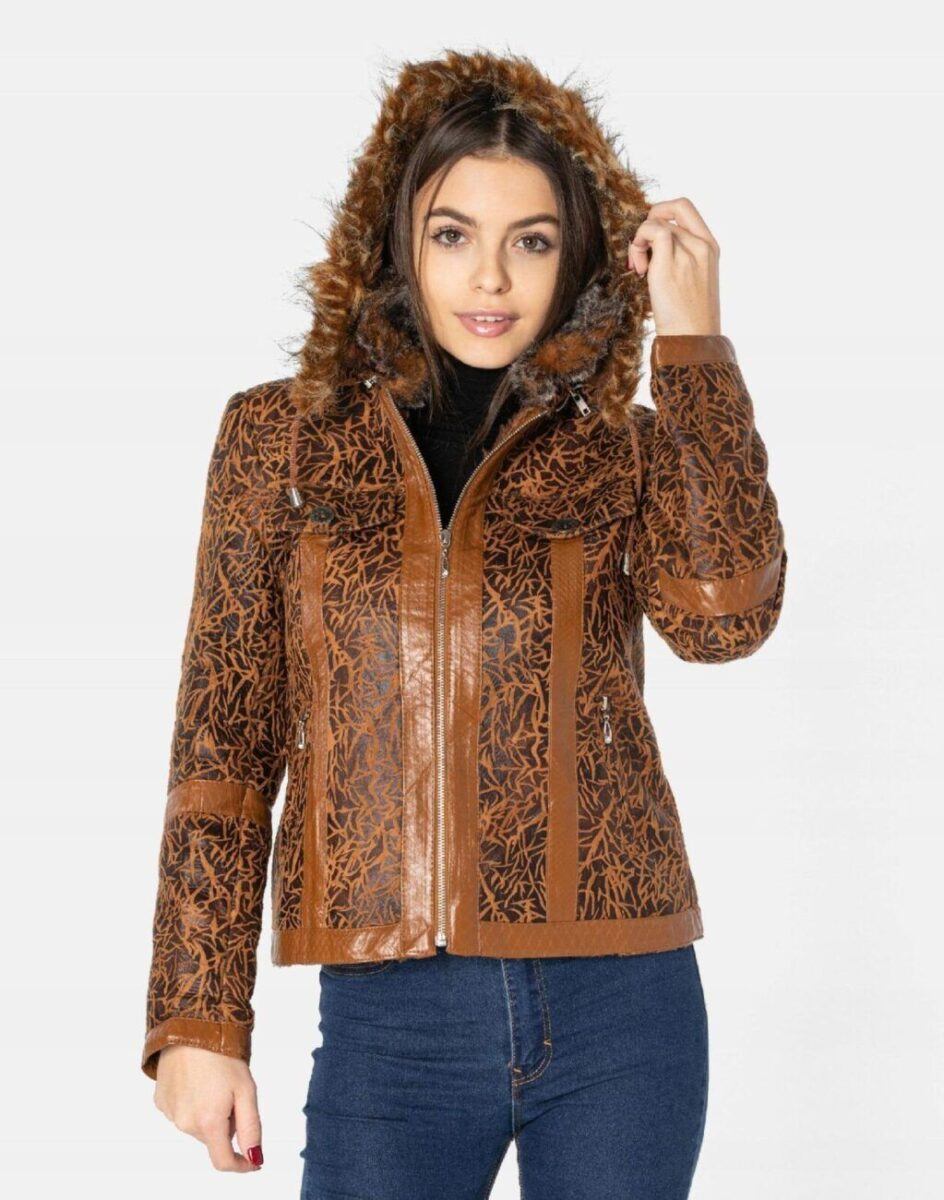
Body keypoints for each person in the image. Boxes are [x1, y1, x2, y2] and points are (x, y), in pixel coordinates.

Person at [142, 48, 788, 1199]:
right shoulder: (278, 440)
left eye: (530, 241)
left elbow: (723, 619)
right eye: (452, 234)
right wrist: (198, 1020)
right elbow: (222, 743)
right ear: (394, 240)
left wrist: (692, 349)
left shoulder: (618, 447)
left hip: (620, 1000)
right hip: (391, 1019)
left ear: (575, 256)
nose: (489, 277)